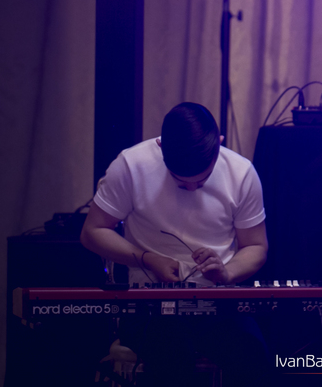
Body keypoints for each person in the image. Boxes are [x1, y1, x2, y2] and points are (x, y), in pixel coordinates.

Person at [80, 102, 269, 385]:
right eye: (181, 183)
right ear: (161, 147)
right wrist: (148, 259)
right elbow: (92, 231)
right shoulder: (131, 166)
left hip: (216, 303)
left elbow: (256, 246)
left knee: (251, 352)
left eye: (202, 182)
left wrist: (226, 272)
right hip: (149, 306)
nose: (192, 189)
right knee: (172, 353)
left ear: (218, 144)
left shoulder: (241, 173)